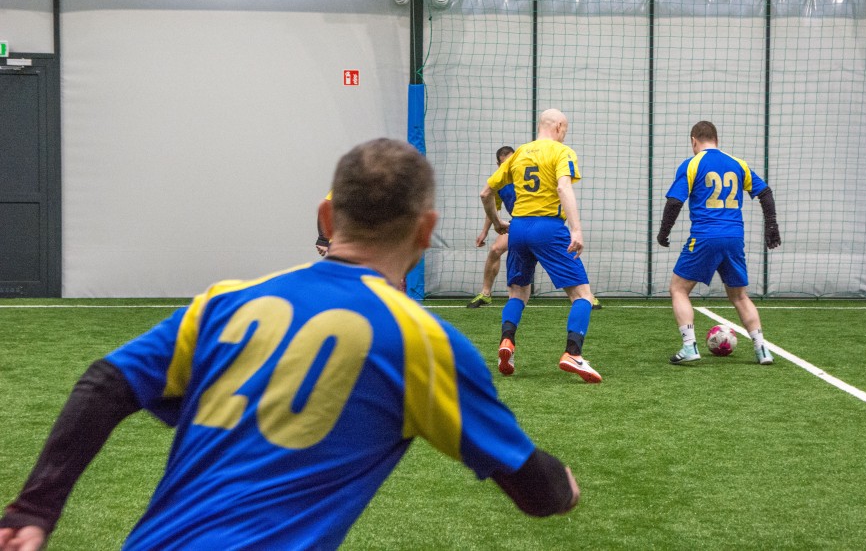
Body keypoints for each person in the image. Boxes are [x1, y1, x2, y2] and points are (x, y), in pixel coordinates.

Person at [0, 139, 580, 551]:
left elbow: (106, 382)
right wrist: (566, 488)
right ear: (425, 230)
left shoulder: (226, 301)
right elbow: (537, 489)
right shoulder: (422, 340)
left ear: (327, 217)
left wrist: (34, 509)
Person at [480, 109, 601, 383]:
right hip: (548, 228)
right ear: (558, 126)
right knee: (582, 295)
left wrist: (497, 223)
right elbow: (563, 188)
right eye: (565, 128)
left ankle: (507, 342)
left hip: (518, 228)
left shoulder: (519, 154)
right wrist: (576, 229)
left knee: (517, 293)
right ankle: (573, 353)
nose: (565, 133)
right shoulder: (562, 152)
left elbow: (486, 193)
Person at [656, 120, 781, 366]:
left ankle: (689, 346)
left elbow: (674, 202)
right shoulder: (738, 164)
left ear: (694, 140)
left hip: (705, 237)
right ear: (716, 139)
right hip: (734, 238)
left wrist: (664, 232)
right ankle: (762, 350)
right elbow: (765, 193)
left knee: (678, 289)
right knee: (740, 296)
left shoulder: (692, 164)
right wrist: (771, 226)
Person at [470, 146, 602, 311]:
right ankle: (485, 293)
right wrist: (484, 232)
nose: (510, 164)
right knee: (495, 249)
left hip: (543, 221)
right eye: (505, 162)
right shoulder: (500, 182)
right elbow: (491, 207)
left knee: (569, 251)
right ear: (499, 165)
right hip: (518, 223)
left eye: (511, 160)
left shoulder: (526, 172)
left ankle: (586, 295)